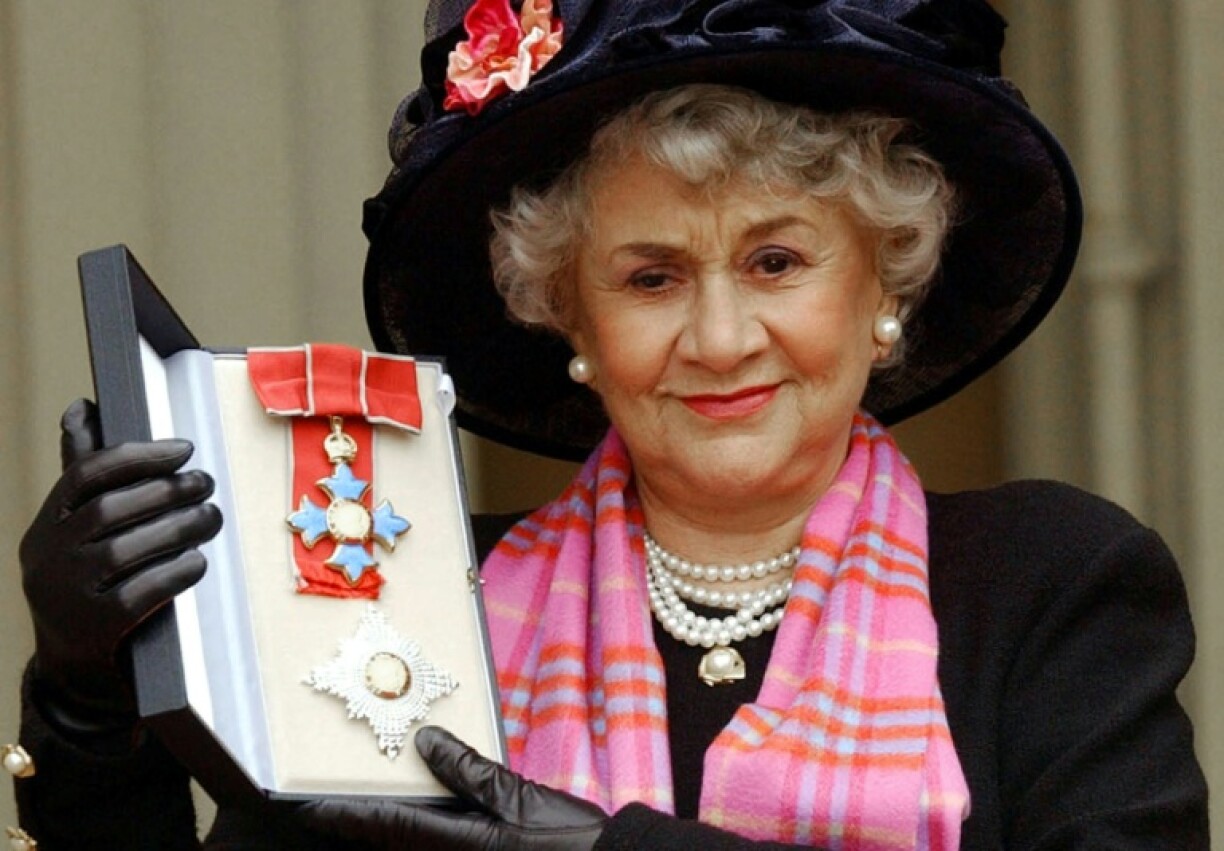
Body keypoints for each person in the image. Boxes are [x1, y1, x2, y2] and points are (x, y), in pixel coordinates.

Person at [10, 0, 1209, 849]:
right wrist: (89, 693)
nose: (722, 334)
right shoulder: (421, 596)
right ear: (567, 315)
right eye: (650, 277)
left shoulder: (1052, 581)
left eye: (778, 259)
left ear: (883, 287)